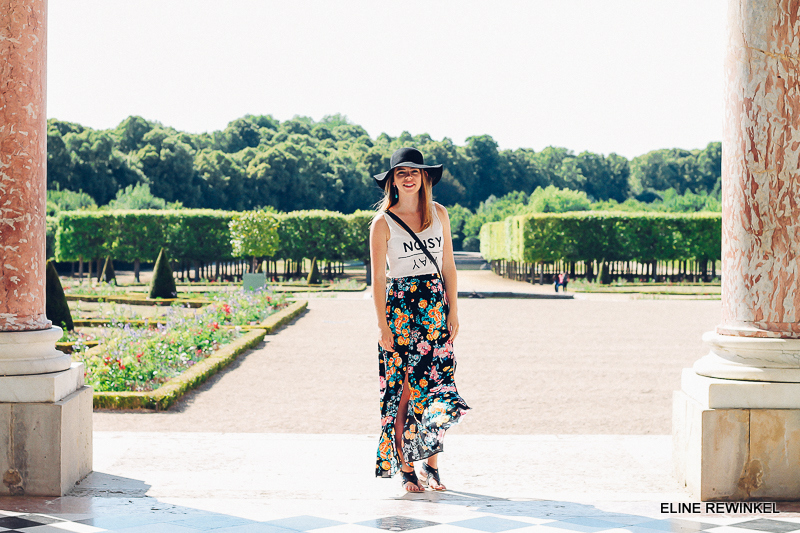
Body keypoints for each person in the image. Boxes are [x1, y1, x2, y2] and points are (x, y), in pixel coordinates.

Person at [369, 147, 470, 493]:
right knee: (404, 392)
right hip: (400, 311)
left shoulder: (439, 213)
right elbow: (379, 279)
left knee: (438, 389)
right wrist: (382, 325)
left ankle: (432, 465)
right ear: (392, 182)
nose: (408, 177)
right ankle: (407, 467)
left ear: (425, 177)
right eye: (401, 173)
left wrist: (453, 310)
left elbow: (448, 266)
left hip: (433, 308)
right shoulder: (382, 223)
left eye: (414, 172)